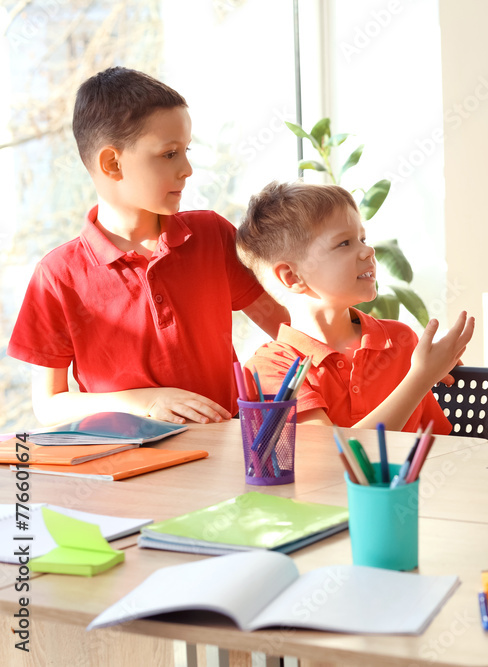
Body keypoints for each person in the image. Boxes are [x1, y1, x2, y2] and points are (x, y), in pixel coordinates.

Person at [7, 67, 286, 426]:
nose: (187, 169)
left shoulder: (212, 235)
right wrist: (143, 401)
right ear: (112, 163)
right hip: (125, 456)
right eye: (170, 154)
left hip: (225, 444)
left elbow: (288, 328)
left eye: (186, 150)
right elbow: (49, 405)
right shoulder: (57, 275)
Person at [236, 181, 473, 433]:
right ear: (292, 277)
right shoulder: (271, 368)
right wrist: (421, 378)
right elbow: (332, 453)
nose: (368, 251)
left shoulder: (400, 340)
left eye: (362, 238)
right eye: (344, 243)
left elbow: (441, 443)